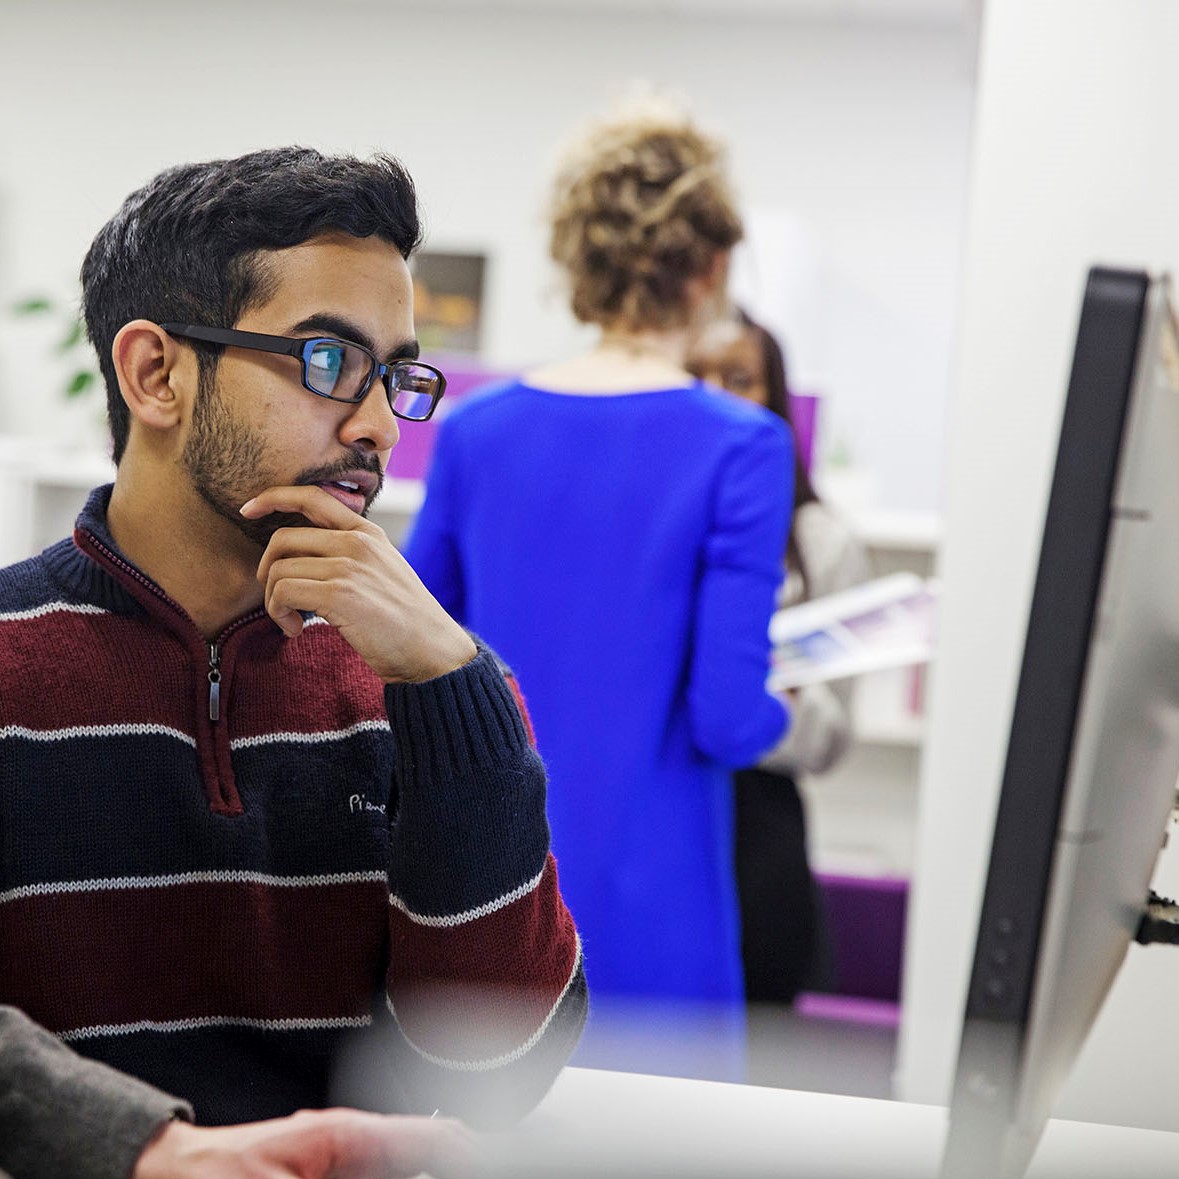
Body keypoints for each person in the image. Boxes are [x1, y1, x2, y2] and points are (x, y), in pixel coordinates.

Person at [0, 146, 586, 1173]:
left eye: (395, 377)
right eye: (326, 360)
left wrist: (452, 690)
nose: (374, 427)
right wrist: (140, 1150)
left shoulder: (423, 685)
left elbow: (500, 1076)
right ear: (156, 374)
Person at [403, 99, 791, 1075]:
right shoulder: (744, 446)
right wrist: (796, 708)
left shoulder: (478, 432)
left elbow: (401, 657)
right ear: (709, 266)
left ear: (577, 259)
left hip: (492, 892)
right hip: (658, 903)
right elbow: (727, 719)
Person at [687, 310, 870, 1008]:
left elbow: (827, 734)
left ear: (774, 398)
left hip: (756, 834)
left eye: (739, 379)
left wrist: (735, 686)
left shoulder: (820, 540)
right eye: (694, 376)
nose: (714, 395)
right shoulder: (639, 517)